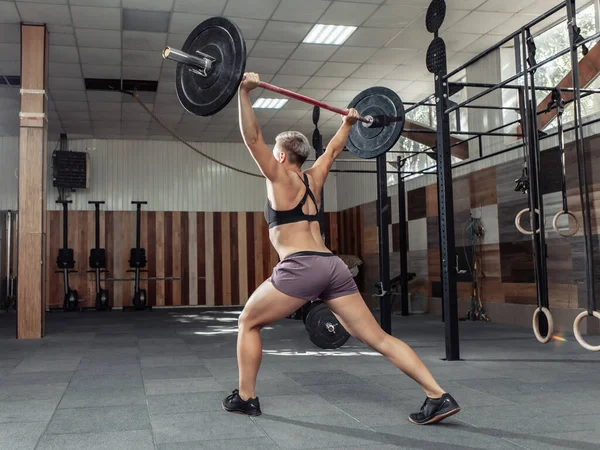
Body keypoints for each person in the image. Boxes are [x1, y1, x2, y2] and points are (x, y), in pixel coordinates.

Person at [222, 72, 460, 425]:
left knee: (248, 322)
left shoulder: (278, 177)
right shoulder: (314, 176)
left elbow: (252, 136)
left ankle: (246, 397)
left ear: (284, 156)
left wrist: (244, 92)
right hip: (332, 266)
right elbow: (333, 149)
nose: (271, 155)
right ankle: (437, 395)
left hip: (301, 267)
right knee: (378, 337)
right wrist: (349, 123)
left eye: (275, 152)